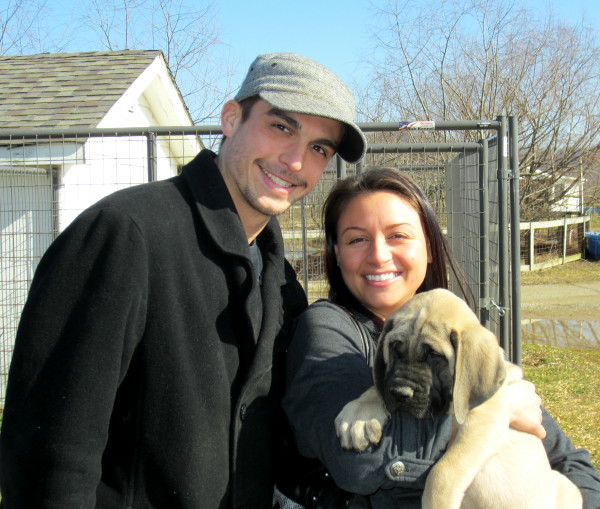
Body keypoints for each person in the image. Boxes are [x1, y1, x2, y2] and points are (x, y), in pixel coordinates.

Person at [0, 53, 367, 508]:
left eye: (319, 148)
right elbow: (49, 454)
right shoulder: (126, 234)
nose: (295, 161)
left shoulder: (279, 280)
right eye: (282, 127)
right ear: (231, 118)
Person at [283, 167, 600, 508]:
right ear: (336, 252)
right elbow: (359, 460)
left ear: (430, 247)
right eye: (357, 239)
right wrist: (491, 413)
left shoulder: (466, 336)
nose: (378, 254)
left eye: (398, 235)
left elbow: (571, 462)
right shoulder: (329, 328)